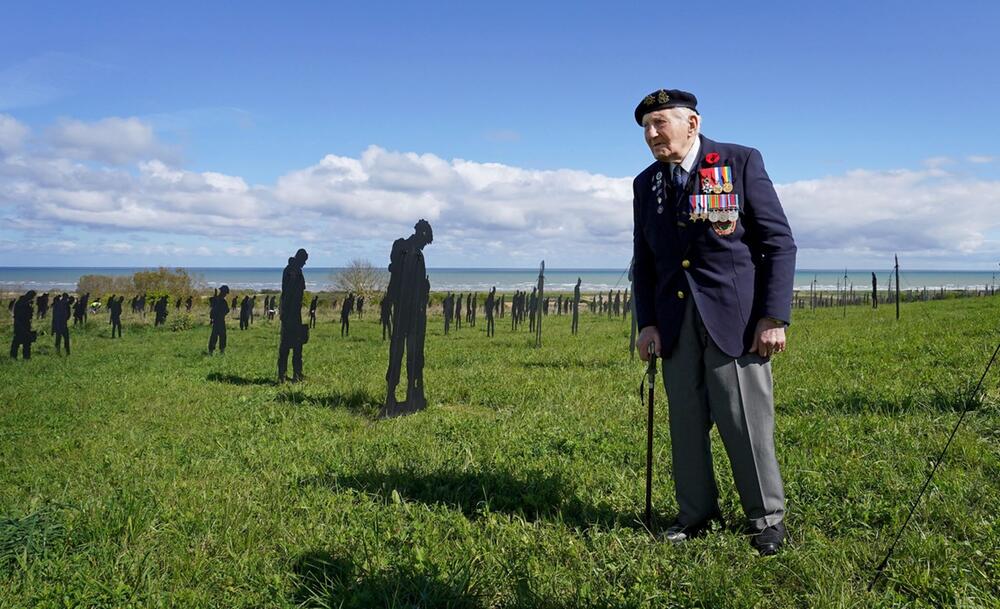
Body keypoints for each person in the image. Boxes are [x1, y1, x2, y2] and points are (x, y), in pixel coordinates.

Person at [632, 88, 796, 556]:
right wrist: (647, 324)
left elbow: (778, 244)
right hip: (675, 321)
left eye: (661, 122)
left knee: (743, 420)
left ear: (692, 123)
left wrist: (773, 316)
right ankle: (696, 514)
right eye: (646, 126)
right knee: (685, 422)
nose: (651, 133)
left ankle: (766, 518)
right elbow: (644, 262)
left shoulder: (739, 162)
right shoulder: (646, 184)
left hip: (736, 320)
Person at [381, 219, 433, 418]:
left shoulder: (407, 251)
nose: (424, 245)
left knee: (405, 354)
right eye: (425, 241)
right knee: (406, 354)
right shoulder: (410, 252)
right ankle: (399, 397)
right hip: (409, 313)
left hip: (407, 311)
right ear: (420, 234)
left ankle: (401, 395)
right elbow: (407, 284)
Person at [278, 250, 308, 382]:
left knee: (296, 344)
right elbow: (289, 294)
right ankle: (285, 375)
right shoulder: (293, 271)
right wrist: (285, 312)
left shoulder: (292, 270)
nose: (305, 263)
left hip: (293, 312)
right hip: (291, 313)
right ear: (300, 258)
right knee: (290, 345)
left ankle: (294, 374)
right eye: (304, 260)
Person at [10, 290, 36, 359]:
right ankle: (23, 357)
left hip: (22, 324)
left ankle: (19, 357)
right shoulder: (23, 303)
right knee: (20, 341)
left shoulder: (21, 302)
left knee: (23, 341)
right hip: (21, 324)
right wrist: (30, 307)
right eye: (32, 296)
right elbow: (24, 314)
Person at [209, 285, 230, 355]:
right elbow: (227, 310)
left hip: (217, 320)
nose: (225, 294)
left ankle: (213, 351)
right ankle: (220, 351)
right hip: (219, 320)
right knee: (220, 336)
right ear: (223, 292)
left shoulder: (217, 299)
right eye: (225, 293)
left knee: (217, 336)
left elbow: (212, 303)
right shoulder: (221, 301)